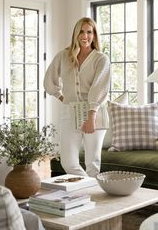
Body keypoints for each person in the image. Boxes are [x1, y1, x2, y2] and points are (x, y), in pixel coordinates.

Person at [44, 17, 110, 177]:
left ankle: (90, 197)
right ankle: (88, 188)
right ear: (75, 33)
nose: (85, 36)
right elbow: (49, 81)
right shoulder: (63, 56)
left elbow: (98, 89)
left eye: (89, 32)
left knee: (92, 163)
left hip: (94, 113)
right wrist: (63, 98)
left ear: (94, 35)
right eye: (81, 31)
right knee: (68, 162)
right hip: (70, 111)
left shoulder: (101, 59)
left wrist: (91, 116)